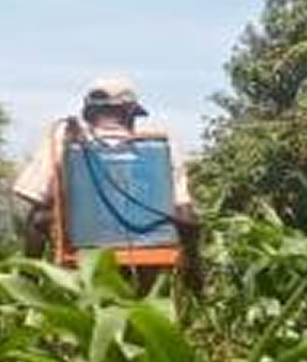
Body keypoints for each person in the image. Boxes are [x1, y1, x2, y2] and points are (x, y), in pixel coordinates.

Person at [12, 75, 199, 274]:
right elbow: (183, 208)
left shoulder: (64, 140)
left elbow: (31, 192)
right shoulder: (161, 144)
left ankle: (27, 280)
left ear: (89, 113)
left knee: (38, 215)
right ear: (130, 114)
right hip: (153, 252)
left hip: (84, 250)